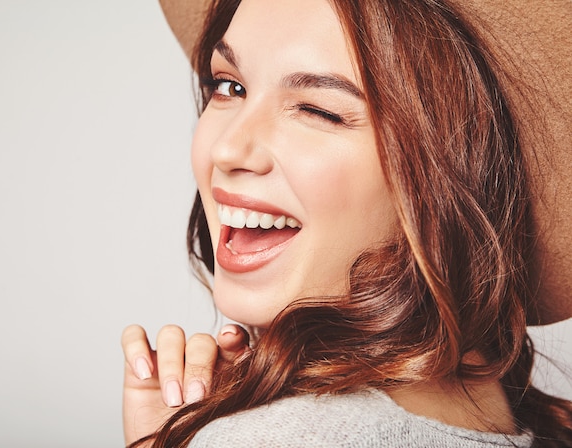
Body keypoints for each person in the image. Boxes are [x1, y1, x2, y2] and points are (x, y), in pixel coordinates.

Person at [122, 0, 572, 446]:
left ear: (451, 168)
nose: (227, 150)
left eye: (318, 110)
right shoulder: (515, 423)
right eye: (230, 86)